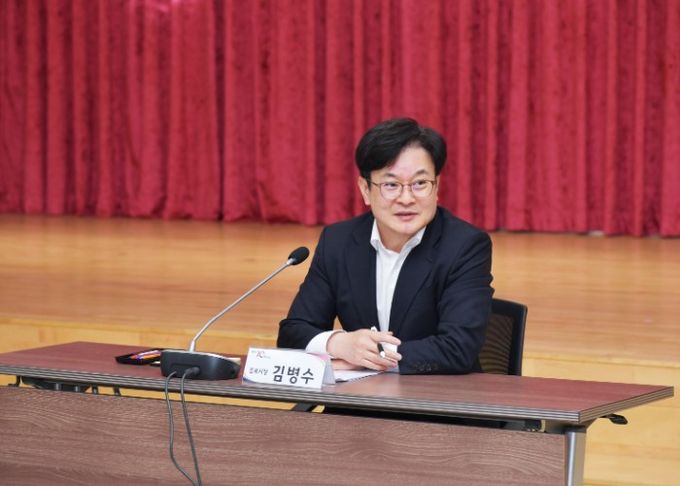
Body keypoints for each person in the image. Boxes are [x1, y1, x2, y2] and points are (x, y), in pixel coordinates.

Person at [277, 117, 493, 375]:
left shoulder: (465, 246)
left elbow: (458, 347)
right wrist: (339, 343)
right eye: (391, 185)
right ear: (365, 190)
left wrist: (371, 357)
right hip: (359, 397)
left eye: (420, 183)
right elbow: (293, 332)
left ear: (437, 187)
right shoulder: (338, 242)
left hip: (437, 395)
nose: (406, 198)